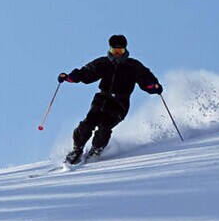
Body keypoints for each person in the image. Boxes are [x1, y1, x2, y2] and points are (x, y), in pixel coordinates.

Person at [57, 35, 163, 166]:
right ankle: (77, 149)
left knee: (105, 126)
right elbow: (87, 73)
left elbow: (146, 79)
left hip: (120, 103)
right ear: (110, 50)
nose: (117, 55)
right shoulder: (103, 63)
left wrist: (153, 86)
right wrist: (69, 78)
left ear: (125, 50)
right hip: (102, 99)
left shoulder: (133, 66)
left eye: (121, 52)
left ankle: (96, 149)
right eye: (115, 51)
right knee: (88, 122)